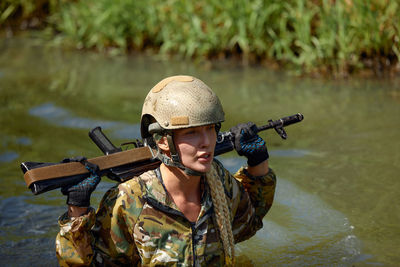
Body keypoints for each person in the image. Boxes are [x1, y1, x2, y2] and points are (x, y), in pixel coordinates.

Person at [56, 75, 276, 266]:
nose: (206, 142)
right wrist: (77, 209)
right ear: (162, 140)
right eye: (191, 133)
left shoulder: (218, 181)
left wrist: (258, 161)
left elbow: (249, 222)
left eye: (210, 129)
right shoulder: (129, 201)